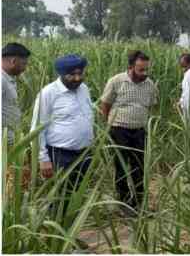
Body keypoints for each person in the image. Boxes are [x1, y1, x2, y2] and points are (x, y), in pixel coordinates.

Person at [31, 54, 93, 219]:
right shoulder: (48, 93)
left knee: (78, 195)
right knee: (59, 197)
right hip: (60, 155)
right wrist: (43, 159)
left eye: (80, 74)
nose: (77, 78)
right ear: (61, 74)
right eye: (71, 75)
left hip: (84, 153)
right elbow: (37, 128)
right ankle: (56, 240)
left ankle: (70, 233)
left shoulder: (84, 89)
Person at [100, 50, 157, 215]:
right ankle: (123, 203)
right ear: (130, 67)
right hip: (119, 130)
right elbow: (105, 105)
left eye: (146, 69)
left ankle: (139, 202)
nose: (145, 73)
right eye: (141, 70)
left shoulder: (150, 84)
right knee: (121, 166)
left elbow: (152, 106)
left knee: (139, 167)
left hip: (139, 131)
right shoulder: (117, 81)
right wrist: (109, 125)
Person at [2, 42, 31, 146]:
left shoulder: (8, 78)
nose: (25, 68)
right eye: (24, 64)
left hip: (10, 143)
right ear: (13, 61)